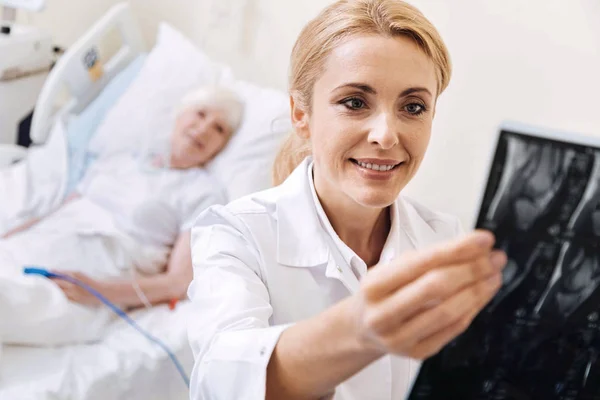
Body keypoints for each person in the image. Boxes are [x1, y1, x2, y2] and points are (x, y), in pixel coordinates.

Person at [186, 1, 508, 399]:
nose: (386, 135)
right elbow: (222, 381)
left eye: (413, 107)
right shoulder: (235, 235)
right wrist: (362, 327)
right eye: (355, 102)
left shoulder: (444, 237)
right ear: (301, 114)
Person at [0, 85, 244, 346]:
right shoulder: (126, 157)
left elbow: (178, 283)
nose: (204, 128)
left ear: (222, 145)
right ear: (179, 115)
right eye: (200, 113)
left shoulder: (203, 192)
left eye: (219, 129)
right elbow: (62, 207)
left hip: (87, 278)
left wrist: (97, 291)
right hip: (38, 243)